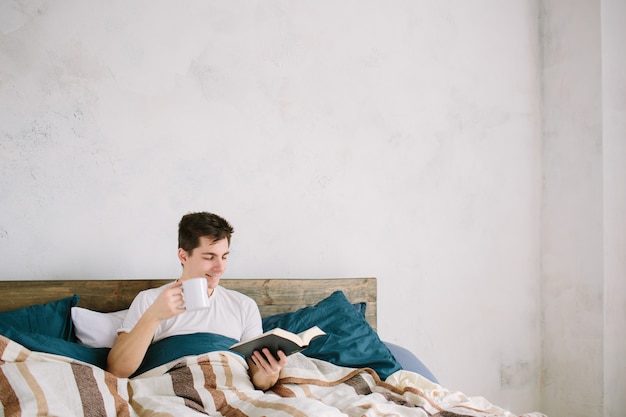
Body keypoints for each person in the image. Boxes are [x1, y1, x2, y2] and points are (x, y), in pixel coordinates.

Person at [107, 211, 288, 390]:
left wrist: (270, 372)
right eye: (209, 257)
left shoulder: (243, 305)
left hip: (231, 389)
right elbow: (117, 370)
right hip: (173, 390)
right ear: (183, 256)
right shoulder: (150, 300)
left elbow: (261, 381)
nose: (220, 268)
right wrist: (154, 316)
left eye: (224, 257)